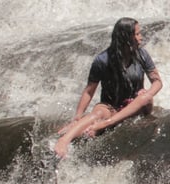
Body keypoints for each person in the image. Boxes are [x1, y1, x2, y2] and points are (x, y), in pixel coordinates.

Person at [54, 17, 163, 158]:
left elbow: (157, 82)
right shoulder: (102, 60)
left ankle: (104, 125)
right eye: (137, 34)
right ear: (125, 37)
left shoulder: (142, 55)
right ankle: (64, 140)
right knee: (97, 113)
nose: (140, 37)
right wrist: (78, 116)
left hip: (136, 106)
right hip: (111, 106)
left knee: (146, 98)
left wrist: (147, 92)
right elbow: (89, 90)